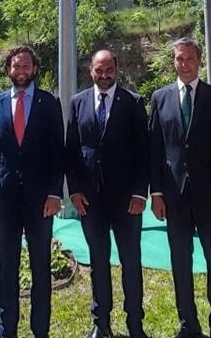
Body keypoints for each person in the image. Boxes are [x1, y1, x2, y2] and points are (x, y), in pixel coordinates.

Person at [149, 37, 211, 338]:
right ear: (173, 62)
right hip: (174, 198)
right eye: (179, 59)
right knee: (180, 263)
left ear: (199, 61)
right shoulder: (159, 98)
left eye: (189, 59)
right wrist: (156, 193)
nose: (184, 64)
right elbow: (155, 149)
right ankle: (188, 324)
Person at [0, 45, 64, 338]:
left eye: (26, 66)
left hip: (41, 201)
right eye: (16, 66)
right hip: (3, 201)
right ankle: (7, 330)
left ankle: (41, 330)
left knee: (41, 267)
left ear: (35, 69)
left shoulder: (49, 103)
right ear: (8, 69)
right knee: (7, 268)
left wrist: (55, 193)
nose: (21, 71)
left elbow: (57, 152)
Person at [66, 50, 150, 338]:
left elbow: (144, 152)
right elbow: (72, 151)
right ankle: (101, 323)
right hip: (91, 200)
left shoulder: (134, 102)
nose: (104, 75)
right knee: (98, 262)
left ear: (117, 69)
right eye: (99, 70)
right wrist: (74, 191)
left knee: (131, 261)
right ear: (90, 70)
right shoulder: (78, 103)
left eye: (109, 70)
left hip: (127, 201)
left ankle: (135, 323)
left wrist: (141, 193)